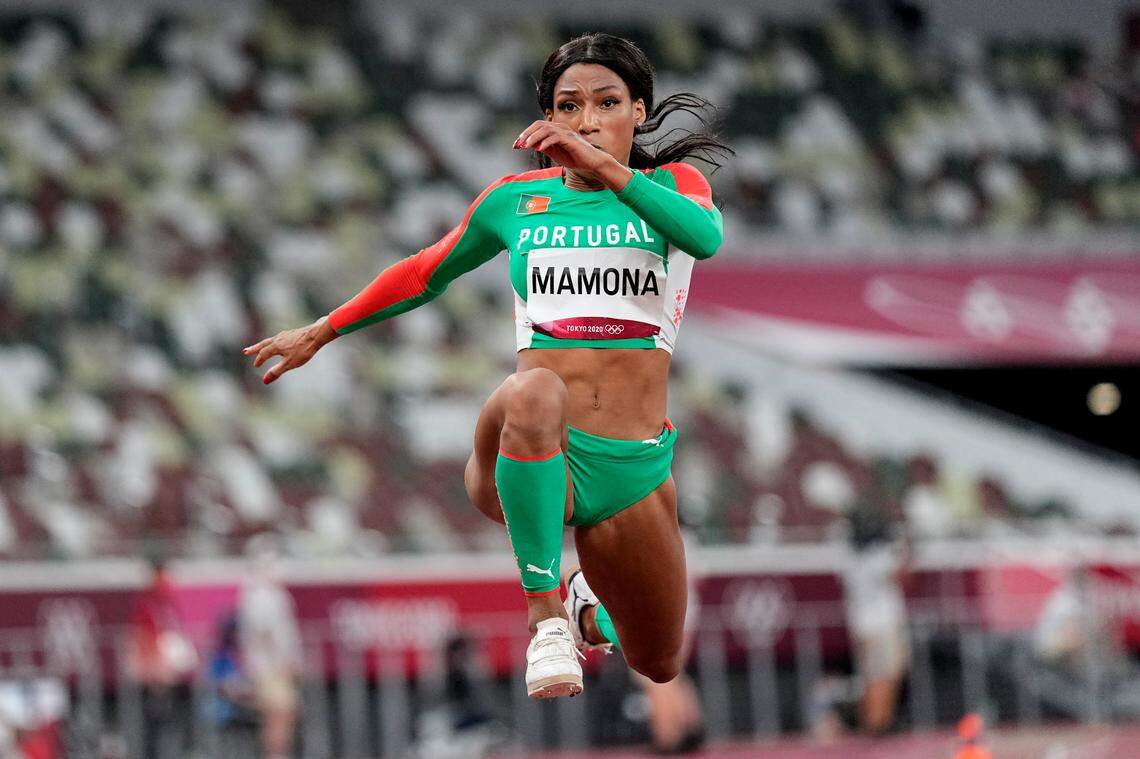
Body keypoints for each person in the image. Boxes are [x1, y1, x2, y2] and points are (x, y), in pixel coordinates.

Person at [244, 32, 729, 699]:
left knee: (660, 661)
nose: (586, 120)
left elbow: (703, 238)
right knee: (533, 391)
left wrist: (609, 171)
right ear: (547, 118)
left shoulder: (674, 187)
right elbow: (422, 273)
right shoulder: (513, 201)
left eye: (607, 103)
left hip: (631, 465)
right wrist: (321, 331)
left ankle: (589, 610)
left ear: (639, 111)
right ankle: (547, 616)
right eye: (568, 106)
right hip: (531, 443)